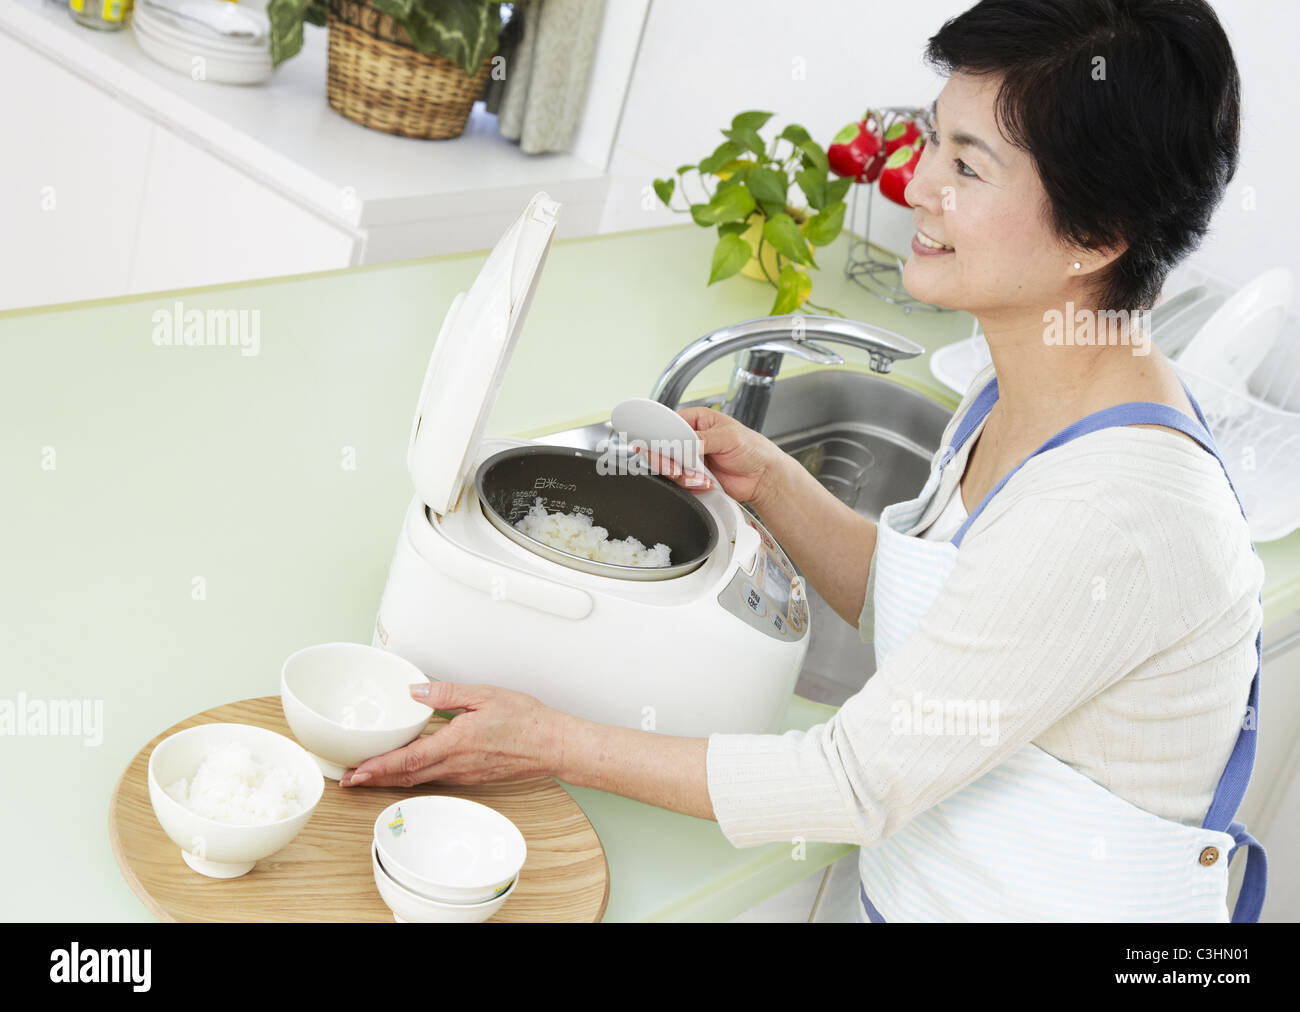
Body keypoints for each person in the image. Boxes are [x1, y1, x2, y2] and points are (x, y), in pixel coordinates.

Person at [344, 0, 1266, 921]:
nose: (916, 186)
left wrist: (551, 742)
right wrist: (771, 484)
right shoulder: (1023, 388)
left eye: (968, 168)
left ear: (1099, 237)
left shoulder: (1110, 514)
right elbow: (957, 613)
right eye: (932, 141)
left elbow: (854, 781)